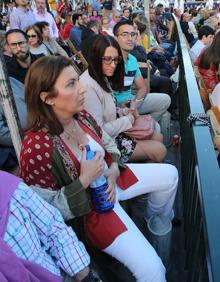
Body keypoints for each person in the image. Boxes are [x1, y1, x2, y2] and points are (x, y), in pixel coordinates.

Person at [20, 55, 178, 282]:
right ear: (47, 98)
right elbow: (43, 212)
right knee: (153, 270)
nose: (82, 89)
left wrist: (113, 167)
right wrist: (83, 181)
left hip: (112, 180)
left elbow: (108, 143)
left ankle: (152, 222)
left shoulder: (81, 115)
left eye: (78, 80)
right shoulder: (35, 147)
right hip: (92, 212)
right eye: (71, 84)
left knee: (170, 175)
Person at [0, 170, 101, 282]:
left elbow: (51, 225)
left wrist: (86, 277)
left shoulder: (8, 187)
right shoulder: (33, 155)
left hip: (59, 269)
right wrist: (83, 181)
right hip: (83, 212)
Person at [81, 34, 167, 163]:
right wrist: (128, 119)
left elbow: (106, 111)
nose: (113, 65)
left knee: (158, 137)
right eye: (107, 59)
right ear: (95, 58)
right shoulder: (88, 86)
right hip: (107, 144)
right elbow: (98, 132)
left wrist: (122, 111)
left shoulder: (101, 76)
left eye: (116, 60)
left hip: (115, 132)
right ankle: (133, 175)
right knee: (160, 150)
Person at [113, 20, 171, 122]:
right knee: (156, 130)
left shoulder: (132, 59)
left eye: (132, 34)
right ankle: (140, 127)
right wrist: (121, 108)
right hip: (116, 109)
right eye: (125, 34)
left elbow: (142, 88)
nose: (130, 38)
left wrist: (135, 104)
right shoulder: (110, 61)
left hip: (132, 102)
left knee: (166, 100)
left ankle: (144, 125)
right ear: (115, 38)